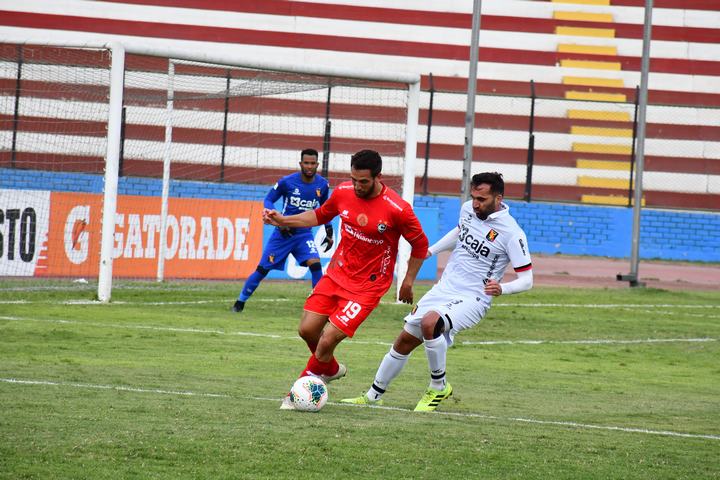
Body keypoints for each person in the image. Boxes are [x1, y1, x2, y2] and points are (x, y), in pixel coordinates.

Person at [341, 172, 533, 412]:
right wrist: (431, 250)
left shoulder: (512, 234)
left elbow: (527, 279)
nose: (475, 203)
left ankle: (438, 386)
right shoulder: (468, 210)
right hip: (445, 288)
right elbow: (460, 233)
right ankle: (373, 396)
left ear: (498, 198)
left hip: (474, 296)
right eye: (473, 197)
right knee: (404, 340)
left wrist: (502, 288)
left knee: (431, 322)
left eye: (482, 199)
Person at [262, 149, 429, 410]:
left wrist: (408, 281)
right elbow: (319, 216)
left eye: (363, 181)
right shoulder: (342, 193)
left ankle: (298, 392)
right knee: (307, 330)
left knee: (328, 338)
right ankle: (329, 367)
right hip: (337, 275)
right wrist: (283, 220)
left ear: (378, 177)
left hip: (368, 287)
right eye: (353, 179)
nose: (357, 186)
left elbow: (421, 245)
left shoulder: (398, 209)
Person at [232, 149, 333, 313]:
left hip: (304, 234)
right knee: (262, 270)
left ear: (317, 165)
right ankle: (240, 302)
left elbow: (325, 209)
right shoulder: (287, 182)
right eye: (306, 163)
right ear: (301, 164)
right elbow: (269, 199)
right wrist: (276, 218)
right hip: (283, 233)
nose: (309, 166)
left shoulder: (322, 185)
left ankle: (319, 308)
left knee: (316, 267)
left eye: (312, 163)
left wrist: (329, 232)